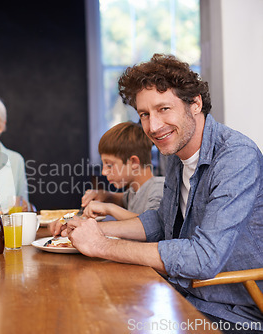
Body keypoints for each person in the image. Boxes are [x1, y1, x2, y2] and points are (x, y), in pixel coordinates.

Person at [52, 54, 263, 331]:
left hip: (232, 311)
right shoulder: (174, 151)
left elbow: (203, 258)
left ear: (195, 103)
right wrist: (94, 229)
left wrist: (103, 246)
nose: (153, 126)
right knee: (88, 312)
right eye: (144, 114)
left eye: (164, 108)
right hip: (183, 292)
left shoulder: (236, 157)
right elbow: (162, 221)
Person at [81, 121, 164, 220]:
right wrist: (105, 195)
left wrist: (109, 208)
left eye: (109, 165)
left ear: (133, 162)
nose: (104, 172)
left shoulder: (159, 187)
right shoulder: (134, 191)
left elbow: (150, 223)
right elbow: (122, 198)